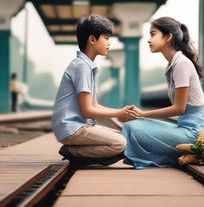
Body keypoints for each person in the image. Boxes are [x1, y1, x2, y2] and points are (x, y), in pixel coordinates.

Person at [121, 16, 204, 169]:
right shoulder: (173, 63)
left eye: (153, 34)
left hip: (194, 134)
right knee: (134, 125)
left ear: (168, 36)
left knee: (132, 128)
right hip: (184, 128)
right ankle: (181, 156)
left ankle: (194, 152)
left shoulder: (181, 64)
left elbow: (179, 109)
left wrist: (142, 114)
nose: (149, 40)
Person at [52, 14, 139, 167]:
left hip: (78, 126)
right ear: (92, 40)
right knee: (120, 144)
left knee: (124, 137)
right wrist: (119, 114)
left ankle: (78, 150)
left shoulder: (86, 66)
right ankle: (72, 151)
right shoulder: (81, 67)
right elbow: (88, 111)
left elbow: (95, 106)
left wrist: (121, 113)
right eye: (106, 38)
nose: (109, 43)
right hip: (72, 128)